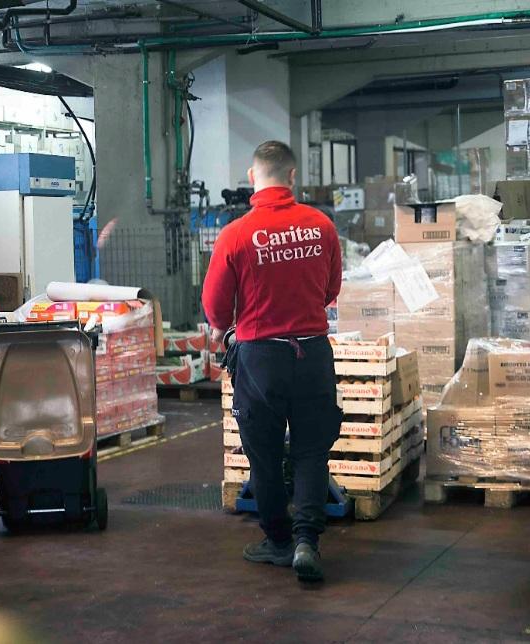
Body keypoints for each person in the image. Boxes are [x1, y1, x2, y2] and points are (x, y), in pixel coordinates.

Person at [202, 141, 343, 583]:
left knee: (263, 455)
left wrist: (232, 323)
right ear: (293, 176)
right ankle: (307, 541)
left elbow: (214, 307)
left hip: (261, 359)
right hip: (313, 352)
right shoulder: (321, 226)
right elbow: (330, 290)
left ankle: (278, 542)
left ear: (252, 177)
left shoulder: (237, 234)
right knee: (310, 451)